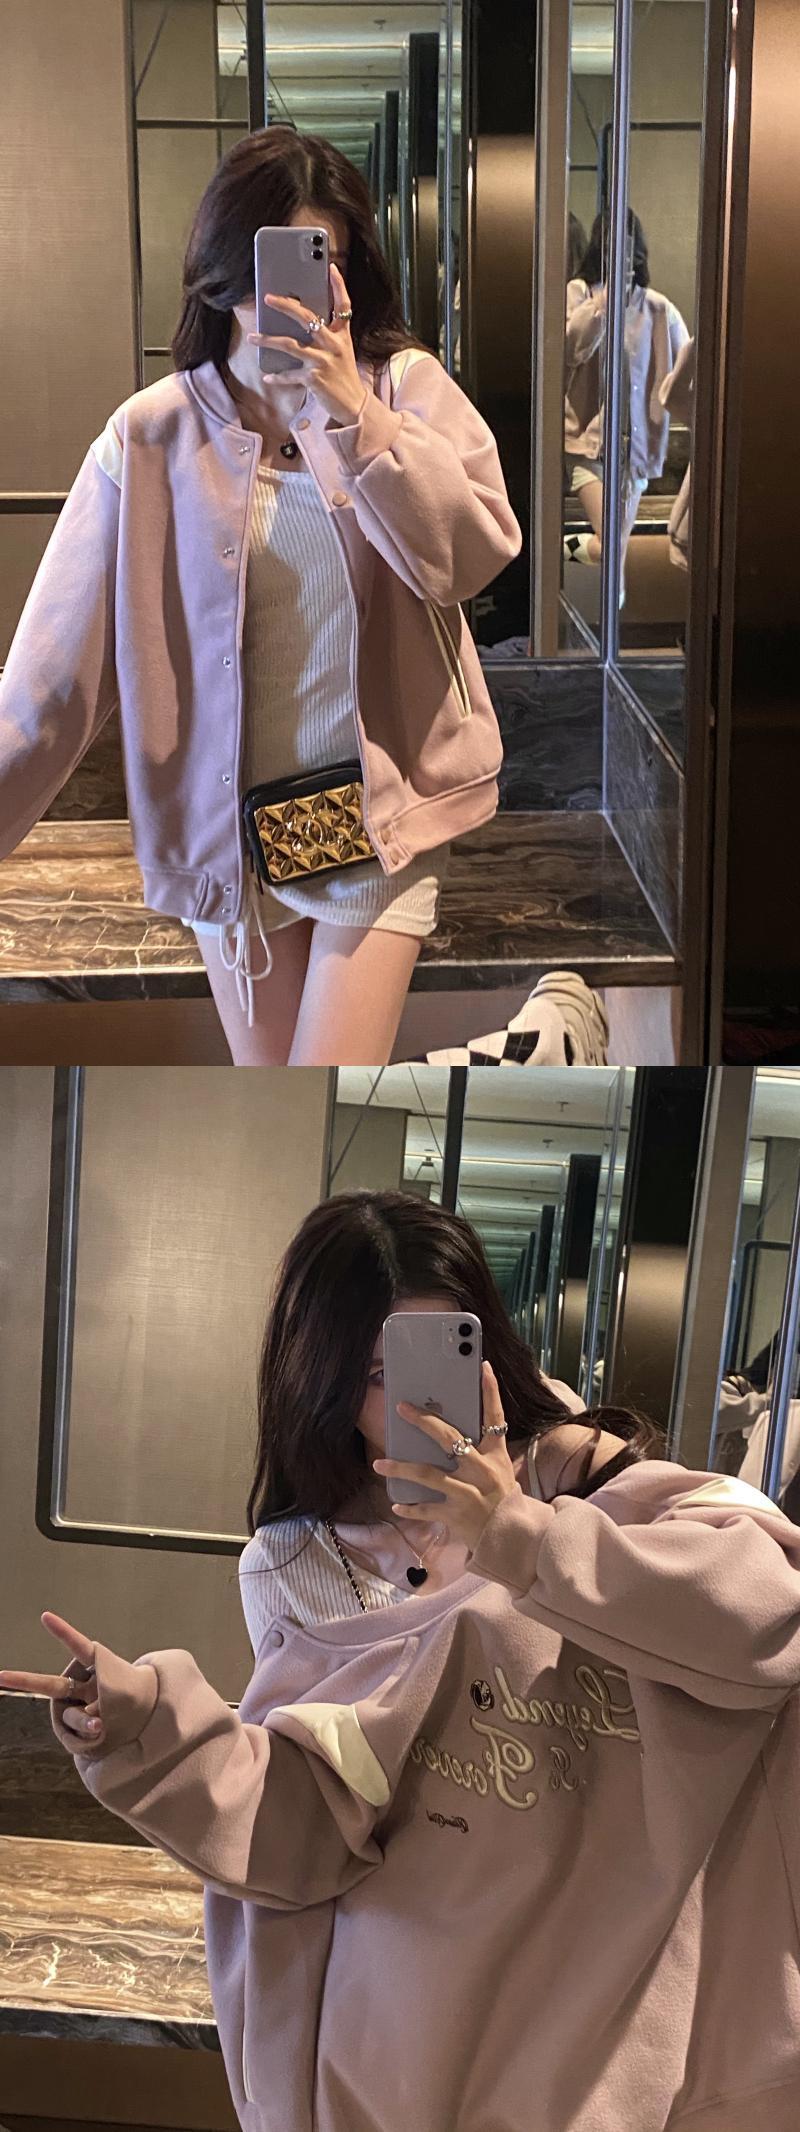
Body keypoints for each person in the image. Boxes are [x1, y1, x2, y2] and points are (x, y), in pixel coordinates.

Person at [3, 1190, 800, 2132]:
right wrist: (149, 1728)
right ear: (322, 1377)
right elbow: (318, 1793)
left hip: (602, 2018)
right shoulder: (293, 1564)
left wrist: (519, 1535)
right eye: (374, 1373)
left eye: (437, 1358)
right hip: (405, 2037)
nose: (412, 1401)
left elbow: (769, 1616)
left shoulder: (593, 1480)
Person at [0, 130, 521, 1066]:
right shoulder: (148, 440)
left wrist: (355, 416)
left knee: (321, 1073)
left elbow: (473, 556)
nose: (282, 295)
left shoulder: (404, 393)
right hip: (237, 841)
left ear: (348, 270)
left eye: (315, 260)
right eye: (261, 266)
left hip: (380, 822)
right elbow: (46, 690)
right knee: (268, 1076)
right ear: (218, 272)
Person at [563, 211, 689, 600]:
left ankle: (584, 570)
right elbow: (571, 348)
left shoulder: (658, 308)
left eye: (630, 248)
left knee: (613, 554)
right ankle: (562, 552)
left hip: (635, 452)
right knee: (613, 542)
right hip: (587, 446)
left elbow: (691, 360)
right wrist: (605, 302)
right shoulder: (580, 294)